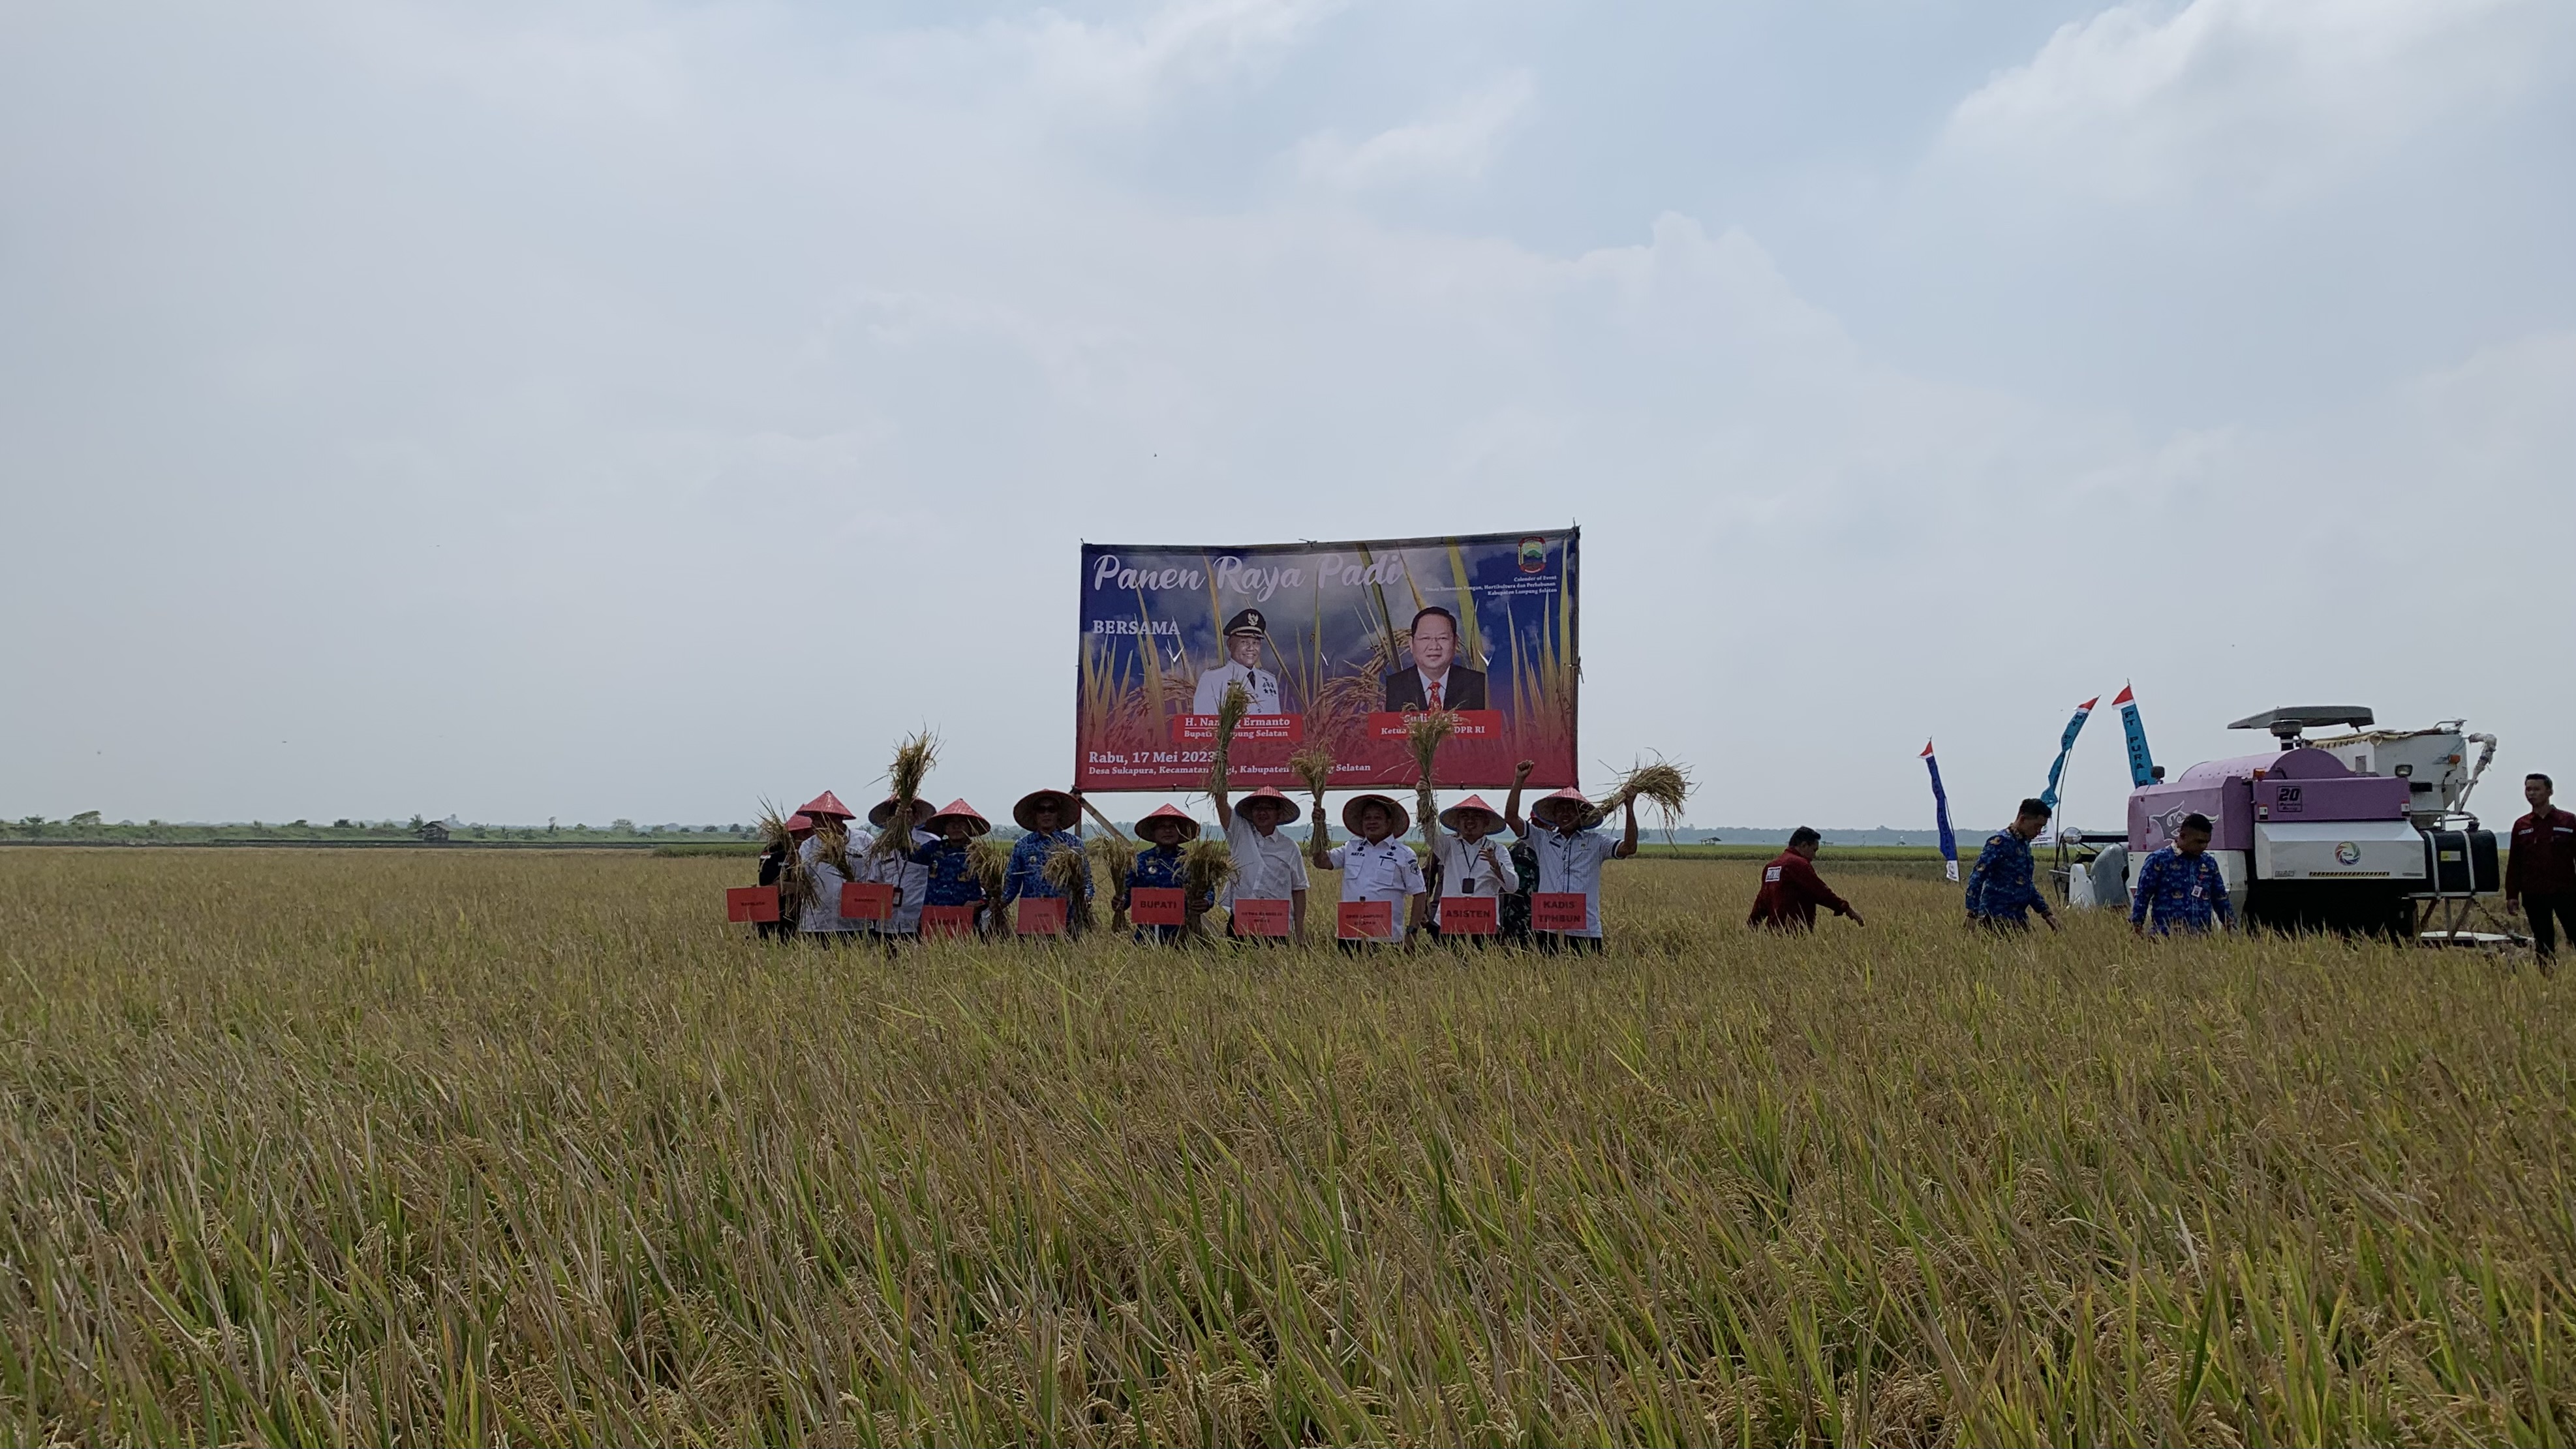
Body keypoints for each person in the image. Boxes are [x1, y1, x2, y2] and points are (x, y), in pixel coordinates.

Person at [1503, 764, 1638, 954]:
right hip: (1548, 927)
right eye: (1561, 810)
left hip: (1585, 929)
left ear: (1582, 815)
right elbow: (1511, 818)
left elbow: (1629, 848)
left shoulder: (1597, 843)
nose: (1566, 814)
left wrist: (1629, 808)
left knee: (1586, 981)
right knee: (1550, 980)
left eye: (1571, 810)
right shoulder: (1542, 839)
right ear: (1554, 816)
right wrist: (1519, 780)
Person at [1308, 793, 1428, 950]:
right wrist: (1319, 825)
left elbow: (1420, 893)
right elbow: (1321, 862)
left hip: (1387, 939)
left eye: (1377, 818)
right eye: (1367, 818)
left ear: (1389, 822)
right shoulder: (1350, 848)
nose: (1372, 822)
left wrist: (1412, 932)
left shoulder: (1404, 854)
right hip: (1350, 936)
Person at [1214, 782, 1308, 942]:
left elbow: (1299, 889)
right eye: (1258, 808)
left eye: (1268, 808)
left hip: (1277, 923)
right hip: (1241, 921)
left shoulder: (1289, 847)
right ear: (1251, 813)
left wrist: (1299, 933)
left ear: (1278, 814)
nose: (1262, 813)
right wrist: (1220, 770)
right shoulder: (1239, 833)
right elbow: (1221, 803)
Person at [2506, 772, 2576, 964]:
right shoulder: (2522, 825)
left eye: (2536, 789)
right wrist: (2512, 895)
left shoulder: (2568, 821)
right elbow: (2514, 863)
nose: (2531, 794)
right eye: (2528, 789)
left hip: (2566, 891)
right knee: (2543, 943)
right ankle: (2546, 980)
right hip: (2534, 893)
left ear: (2550, 791)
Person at [1428, 793, 1518, 940]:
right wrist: (1424, 798)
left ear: (1486, 822)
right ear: (1457, 822)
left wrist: (1496, 865)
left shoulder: (1498, 850)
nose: (1470, 820)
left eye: (1476, 816)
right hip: (1450, 922)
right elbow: (1429, 830)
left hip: (1484, 924)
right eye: (1464, 816)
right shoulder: (1448, 846)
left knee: (1483, 963)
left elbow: (1512, 886)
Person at [2128, 812, 2233, 936]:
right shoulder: (2158, 860)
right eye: (2199, 842)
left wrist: (2231, 927)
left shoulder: (2209, 863)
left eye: (2207, 842)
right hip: (2165, 940)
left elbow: (2220, 899)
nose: (2204, 846)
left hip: (2202, 941)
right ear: (2182, 836)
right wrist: (2137, 926)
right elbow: (2143, 897)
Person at [1000, 787, 1087, 932]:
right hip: (1032, 918)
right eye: (1041, 809)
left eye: (1051, 809)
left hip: (1067, 918)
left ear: (1058, 813)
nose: (1046, 813)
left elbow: (1086, 879)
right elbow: (1012, 884)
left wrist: (1086, 898)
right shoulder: (1023, 845)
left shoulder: (1074, 845)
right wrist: (997, 904)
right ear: (1034, 814)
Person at [1965, 798, 2059, 932]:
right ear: (2023, 819)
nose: (2039, 832)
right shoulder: (2000, 842)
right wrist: (1972, 913)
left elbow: (2027, 884)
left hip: (2019, 919)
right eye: (2036, 826)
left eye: (2042, 828)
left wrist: (2046, 913)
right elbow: (1977, 877)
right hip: (1994, 919)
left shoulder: (2024, 846)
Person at [793, 793, 874, 943]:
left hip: (855, 923)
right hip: (817, 923)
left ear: (836, 820)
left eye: (818, 819)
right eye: (813, 819)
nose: (813, 824)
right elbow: (805, 882)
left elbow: (876, 877)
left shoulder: (864, 841)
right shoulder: (808, 846)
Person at [1747, 827, 1863, 930]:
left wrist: (1752, 924)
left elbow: (1762, 900)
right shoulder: (1798, 864)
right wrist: (1845, 908)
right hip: (1794, 933)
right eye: (1814, 850)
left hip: (1773, 933)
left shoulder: (1772, 866)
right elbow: (1820, 892)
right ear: (1804, 845)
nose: (1815, 856)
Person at [862, 795, 938, 944]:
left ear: (915, 817)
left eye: (907, 813)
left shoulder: (931, 843)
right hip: (885, 922)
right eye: (897, 814)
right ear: (889, 819)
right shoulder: (880, 846)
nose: (903, 817)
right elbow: (873, 881)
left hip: (918, 920)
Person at [908, 799, 992, 934]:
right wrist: (905, 824)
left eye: (961, 823)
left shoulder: (980, 854)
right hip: (934, 918)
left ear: (970, 827)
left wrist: (979, 904)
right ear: (945, 828)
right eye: (951, 823)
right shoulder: (933, 848)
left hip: (967, 920)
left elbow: (994, 890)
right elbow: (908, 854)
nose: (956, 827)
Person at [1120, 804, 1200, 945]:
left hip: (1185, 937)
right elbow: (1126, 895)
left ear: (1180, 831)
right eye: (1162, 826)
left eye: (1173, 826)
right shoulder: (1140, 860)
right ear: (1153, 832)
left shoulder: (1193, 861)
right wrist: (1119, 902)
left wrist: (1205, 902)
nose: (1168, 830)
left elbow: (1207, 890)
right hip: (1146, 937)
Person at [1382, 606, 1488, 712]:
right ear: (1411, 644)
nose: (1434, 646)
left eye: (1443, 638)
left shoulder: (1476, 683)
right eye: (1425, 638)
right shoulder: (1395, 686)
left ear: (1455, 643)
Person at [1192, 609, 1286, 714]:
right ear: (1230, 645)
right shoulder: (1212, 679)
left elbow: (1277, 726)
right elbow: (1203, 724)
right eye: (1244, 642)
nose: (1251, 648)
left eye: (1256, 643)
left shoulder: (1269, 681)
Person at [756, 811, 813, 939]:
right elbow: (767, 884)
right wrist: (801, 887)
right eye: (807, 833)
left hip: (810, 914)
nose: (810, 836)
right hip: (780, 912)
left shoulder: (818, 849)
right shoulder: (773, 850)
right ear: (795, 833)